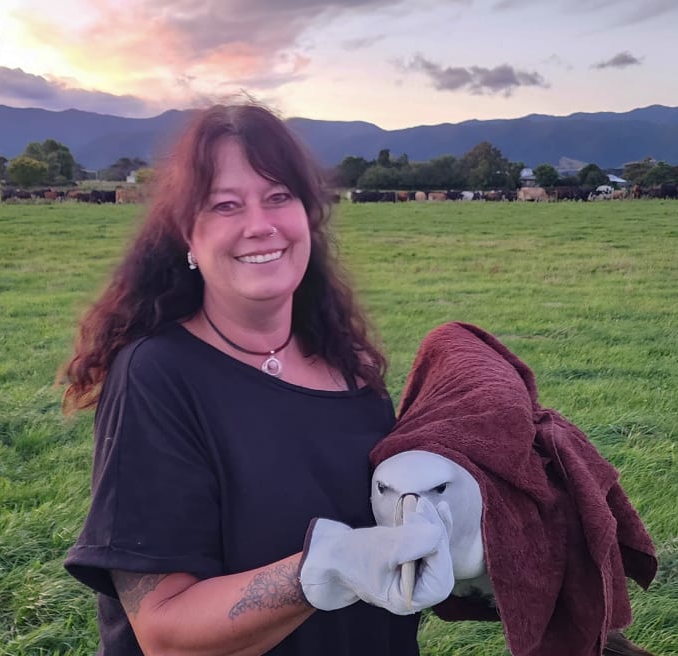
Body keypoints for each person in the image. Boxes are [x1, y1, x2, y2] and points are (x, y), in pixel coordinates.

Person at [61, 103, 453, 656]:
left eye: (278, 196)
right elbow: (165, 632)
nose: (260, 224)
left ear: (307, 215)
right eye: (225, 205)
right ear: (187, 233)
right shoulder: (156, 375)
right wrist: (323, 568)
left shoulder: (352, 368)